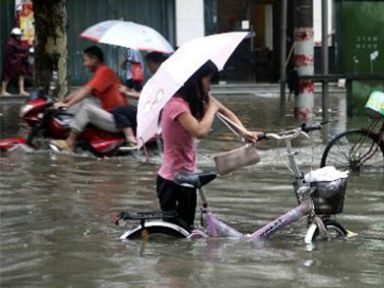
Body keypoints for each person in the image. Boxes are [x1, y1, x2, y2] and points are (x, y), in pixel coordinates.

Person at [157, 60, 258, 231]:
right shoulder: (176, 105)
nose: (210, 86)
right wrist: (212, 108)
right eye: (208, 80)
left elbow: (225, 112)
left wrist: (244, 132)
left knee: (187, 232)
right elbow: (200, 132)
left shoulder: (192, 102)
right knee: (175, 234)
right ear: (195, 79)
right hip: (172, 181)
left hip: (187, 176)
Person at [50, 46, 136, 151]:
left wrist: (67, 105)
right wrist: (62, 101)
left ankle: (70, 142)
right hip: (112, 114)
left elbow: (87, 90)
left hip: (118, 120)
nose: (84, 64)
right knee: (87, 101)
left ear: (94, 59)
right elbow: (81, 90)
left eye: (85, 60)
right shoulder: (101, 72)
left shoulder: (104, 71)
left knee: (86, 107)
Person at [113, 52, 169, 139]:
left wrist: (127, 93)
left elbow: (145, 96)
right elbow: (144, 93)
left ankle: (131, 139)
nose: (148, 67)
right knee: (126, 108)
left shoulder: (160, 79)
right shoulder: (160, 77)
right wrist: (128, 90)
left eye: (148, 64)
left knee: (119, 110)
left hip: (151, 116)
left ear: (154, 63)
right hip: (151, 113)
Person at [1, 28, 29, 96]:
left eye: (19, 35)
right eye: (18, 35)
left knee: (21, 75)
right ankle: (3, 91)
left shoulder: (16, 42)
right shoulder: (10, 43)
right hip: (11, 62)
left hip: (18, 62)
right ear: (14, 35)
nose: (19, 37)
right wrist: (21, 55)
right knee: (7, 76)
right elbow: (11, 53)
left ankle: (21, 90)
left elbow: (21, 48)